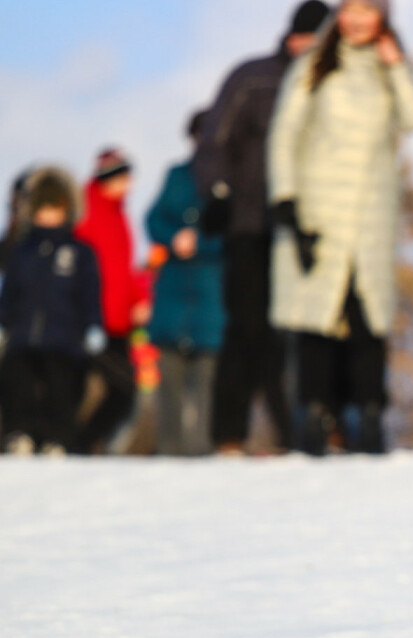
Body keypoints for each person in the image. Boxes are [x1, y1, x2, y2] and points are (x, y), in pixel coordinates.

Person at [266, 0, 413, 455]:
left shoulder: (386, 69)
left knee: (367, 318)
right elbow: (285, 132)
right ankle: (314, 421)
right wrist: (285, 199)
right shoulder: (313, 65)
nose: (358, 21)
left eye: (368, 11)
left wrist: (397, 66)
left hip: (372, 213)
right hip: (319, 207)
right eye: (350, 10)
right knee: (314, 318)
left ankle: (370, 418)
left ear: (382, 17)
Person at [195, 0, 330, 456]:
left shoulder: (331, 84)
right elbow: (215, 139)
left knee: (302, 335)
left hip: (309, 229)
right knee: (247, 331)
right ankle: (229, 436)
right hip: (250, 225)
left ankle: (298, 436)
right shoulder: (251, 78)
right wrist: (217, 193)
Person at [0, 167, 104, 455]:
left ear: (66, 210)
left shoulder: (80, 252)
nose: (48, 215)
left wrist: (93, 325)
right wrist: (3, 319)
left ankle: (58, 439)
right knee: (16, 385)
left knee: (61, 391)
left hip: (64, 337)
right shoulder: (22, 250)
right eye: (42, 208)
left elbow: (89, 294)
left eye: (54, 208)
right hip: (22, 336)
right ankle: (18, 435)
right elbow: (10, 290)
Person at [146, 112, 227, 457]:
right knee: (171, 381)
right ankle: (169, 449)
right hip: (173, 294)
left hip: (211, 293)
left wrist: (202, 243)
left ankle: (201, 449)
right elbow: (153, 219)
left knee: (207, 382)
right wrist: (173, 237)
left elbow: (235, 233)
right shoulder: (176, 177)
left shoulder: (229, 181)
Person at [74, 148, 152, 455]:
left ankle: (82, 443)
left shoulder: (120, 214)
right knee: (81, 387)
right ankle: (75, 444)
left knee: (125, 391)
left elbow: (125, 268)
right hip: (92, 318)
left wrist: (139, 299)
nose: (129, 184)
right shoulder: (85, 210)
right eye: (124, 177)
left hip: (119, 318)